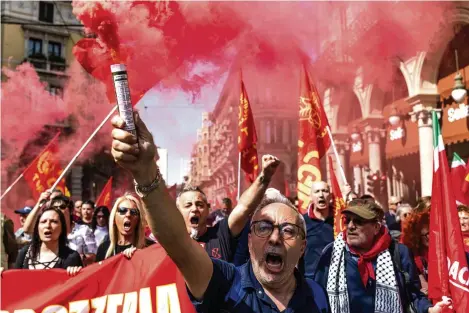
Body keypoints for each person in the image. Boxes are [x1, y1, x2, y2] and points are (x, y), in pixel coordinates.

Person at [110, 113, 330, 312]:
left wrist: (263, 177)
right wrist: (146, 172)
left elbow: (243, 208)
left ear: (302, 247)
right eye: (263, 227)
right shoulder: (226, 283)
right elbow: (177, 243)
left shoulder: (318, 296)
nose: (275, 238)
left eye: (288, 230)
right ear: (250, 239)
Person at [314, 199, 451, 313]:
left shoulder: (398, 253)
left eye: (359, 222)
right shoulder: (331, 254)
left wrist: (429, 309)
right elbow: (318, 298)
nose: (350, 226)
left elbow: (413, 295)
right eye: (347, 220)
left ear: (376, 227)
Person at [173, 154, 279, 262]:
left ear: (208, 210)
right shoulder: (169, 243)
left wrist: (264, 177)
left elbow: (244, 207)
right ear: (177, 212)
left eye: (200, 205)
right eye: (188, 205)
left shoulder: (221, 233)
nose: (194, 209)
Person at [14, 207, 82, 276]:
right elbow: (13, 280)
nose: (48, 225)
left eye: (54, 222)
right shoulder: (25, 252)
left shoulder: (71, 257)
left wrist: (75, 274)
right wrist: (3, 275)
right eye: (43, 222)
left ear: (62, 228)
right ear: (37, 228)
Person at [95, 193, 152, 262]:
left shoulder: (150, 247)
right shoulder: (103, 248)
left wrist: (141, 255)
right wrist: (79, 272)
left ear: (138, 220)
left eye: (133, 212)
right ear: (114, 218)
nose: (128, 214)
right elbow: (95, 271)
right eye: (122, 210)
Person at [299, 181, 334, 278]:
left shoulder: (339, 220)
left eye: (325, 191)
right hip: (310, 278)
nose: (321, 195)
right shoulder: (302, 221)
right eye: (317, 191)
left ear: (330, 196)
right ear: (311, 196)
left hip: (335, 278)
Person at [401, 210, 430, 295]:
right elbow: (425, 287)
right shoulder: (413, 256)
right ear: (417, 236)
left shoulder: (439, 251)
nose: (430, 236)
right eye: (427, 234)